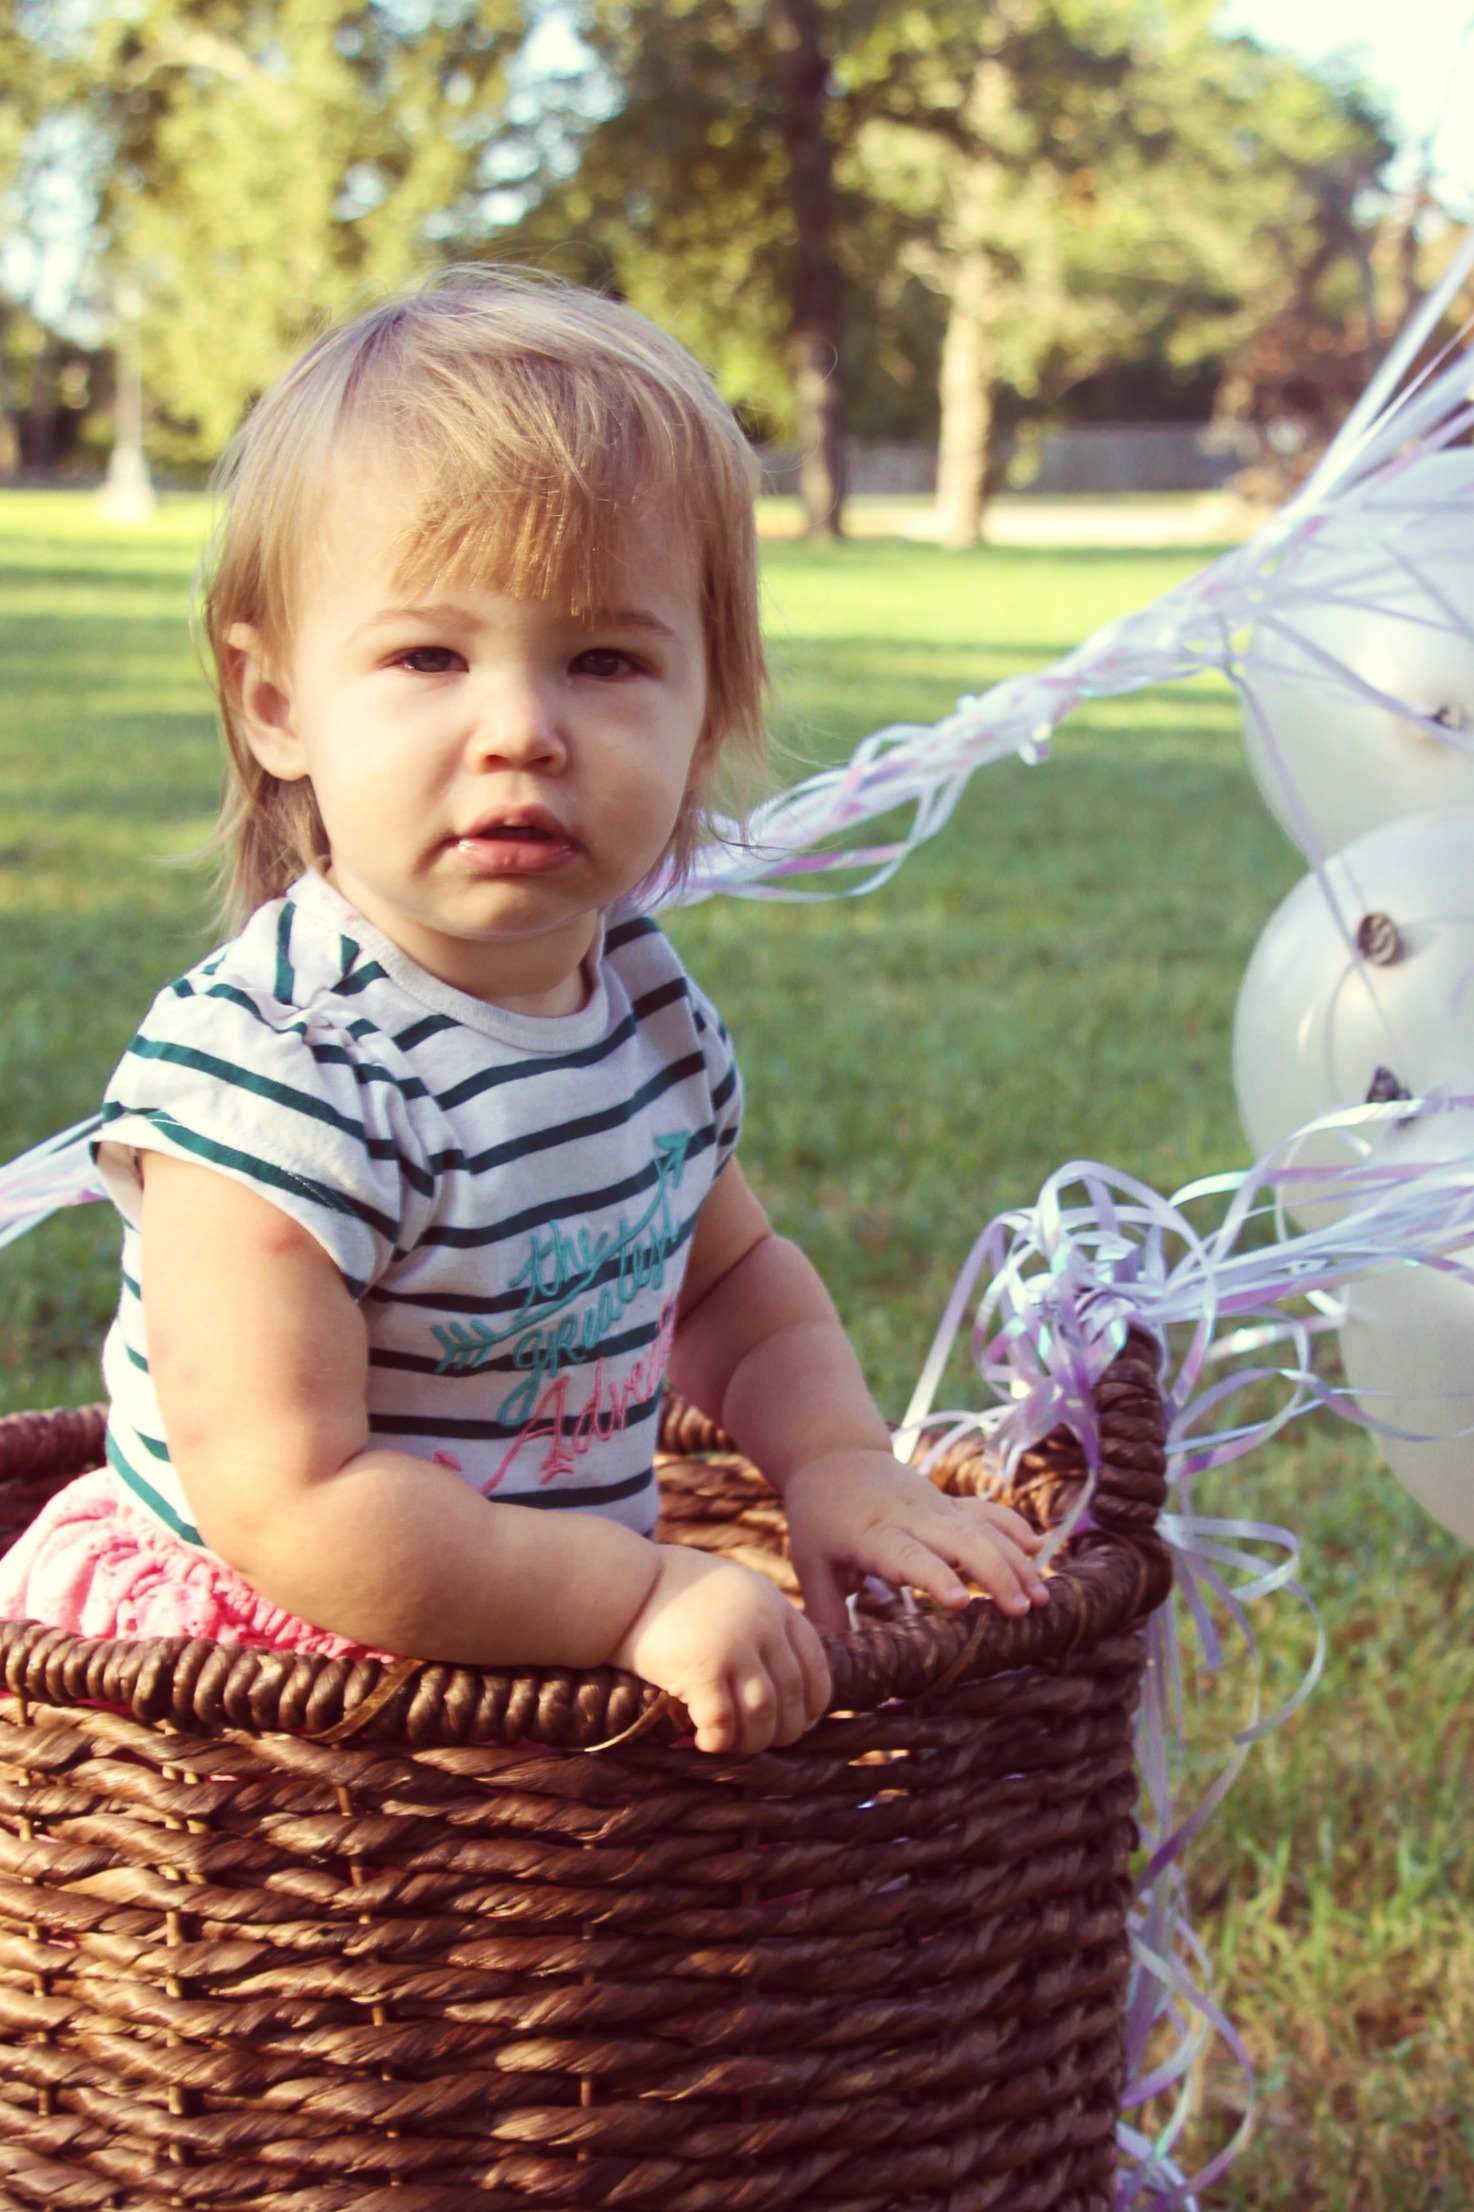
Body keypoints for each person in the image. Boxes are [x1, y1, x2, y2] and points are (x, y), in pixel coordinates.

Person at [0, 272, 1045, 1753]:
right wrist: (632, 1596)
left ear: (705, 718)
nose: (521, 731)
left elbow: (731, 1291)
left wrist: (835, 1463)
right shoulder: (281, 1070)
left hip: (529, 1638)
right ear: (276, 703)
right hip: (277, 1689)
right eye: (428, 657)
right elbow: (288, 1502)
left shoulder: (645, 1007)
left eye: (605, 661)